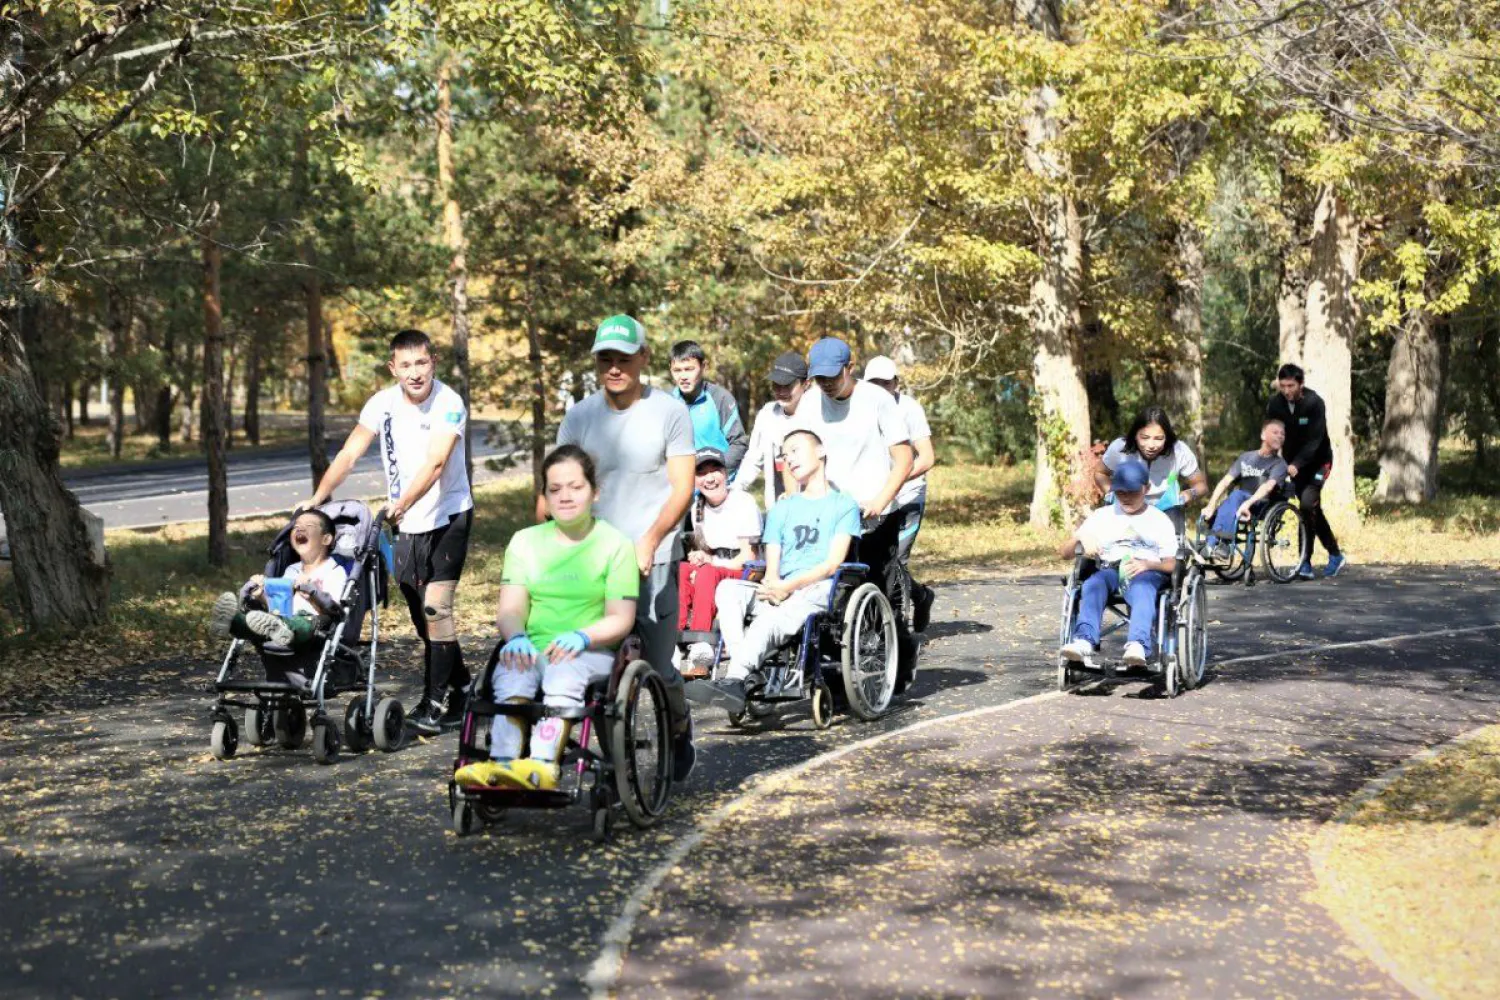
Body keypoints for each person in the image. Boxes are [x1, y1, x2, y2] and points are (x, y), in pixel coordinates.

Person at [304, 329, 474, 735]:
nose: (415, 373)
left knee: (437, 608)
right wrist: (318, 498)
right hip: (407, 523)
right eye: (406, 365)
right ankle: (464, 689)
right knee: (421, 615)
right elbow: (349, 453)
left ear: (433, 362)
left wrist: (402, 503)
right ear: (393, 368)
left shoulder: (449, 403)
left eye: (422, 363)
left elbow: (436, 464)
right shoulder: (381, 404)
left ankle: (433, 705)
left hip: (449, 515)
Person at [552, 314, 698, 779]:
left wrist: (650, 539)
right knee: (590, 661)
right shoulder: (579, 416)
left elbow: (682, 487)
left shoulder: (668, 412)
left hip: (651, 553)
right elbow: (558, 486)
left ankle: (677, 728)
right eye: (605, 359)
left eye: (624, 358)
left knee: (656, 663)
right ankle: (613, 754)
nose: (614, 368)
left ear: (644, 358)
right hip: (593, 557)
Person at [454, 446, 638, 791]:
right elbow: (510, 610)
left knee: (563, 671)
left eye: (575, 487)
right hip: (534, 646)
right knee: (510, 673)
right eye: (554, 489)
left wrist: (583, 636)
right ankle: (503, 765)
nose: (564, 496)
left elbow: (621, 618)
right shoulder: (524, 542)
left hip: (590, 651)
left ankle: (542, 765)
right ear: (545, 495)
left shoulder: (616, 545)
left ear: (594, 493)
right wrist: (516, 637)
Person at [687, 429, 860, 714]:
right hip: (780, 585)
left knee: (770, 621)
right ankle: (749, 674)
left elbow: (832, 563)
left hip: (817, 587)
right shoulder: (783, 508)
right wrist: (773, 584)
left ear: (820, 451)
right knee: (728, 590)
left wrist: (787, 587)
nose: (788, 460)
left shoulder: (844, 505)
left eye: (795, 450)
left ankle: (736, 678)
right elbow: (772, 561)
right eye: (785, 454)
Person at [791, 337, 918, 689]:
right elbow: (792, 453)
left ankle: (901, 651)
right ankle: (834, 673)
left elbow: (904, 459)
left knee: (877, 588)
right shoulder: (810, 403)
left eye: (833, 376)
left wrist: (881, 499)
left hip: (873, 514)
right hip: (828, 513)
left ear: (850, 368)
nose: (827, 384)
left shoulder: (876, 400)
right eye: (819, 378)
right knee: (828, 593)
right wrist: (791, 501)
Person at [1059, 460, 1179, 668]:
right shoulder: (1103, 516)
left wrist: (1149, 565)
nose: (1125, 497)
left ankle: (1138, 645)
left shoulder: (1159, 520)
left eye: (1132, 492)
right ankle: (1084, 641)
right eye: (1120, 492)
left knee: (1142, 588)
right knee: (1092, 584)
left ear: (1146, 488)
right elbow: (1064, 553)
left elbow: (1171, 564)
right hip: (1111, 570)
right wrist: (1081, 537)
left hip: (1146, 571)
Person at [209, 509, 347, 685]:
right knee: (256, 620)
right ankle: (230, 621)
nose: (299, 530)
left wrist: (312, 594)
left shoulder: (334, 571)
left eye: (308, 526)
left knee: (299, 623)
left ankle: (279, 627)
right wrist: (261, 597)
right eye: (296, 527)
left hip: (314, 625)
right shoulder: (292, 570)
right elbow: (278, 604)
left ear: (326, 539)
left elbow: (333, 610)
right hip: (282, 618)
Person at [863, 355, 936, 632]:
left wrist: (896, 479)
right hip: (874, 499)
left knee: (897, 561)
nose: (880, 388)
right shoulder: (860, 407)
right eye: (874, 383)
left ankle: (891, 627)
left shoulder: (909, 409)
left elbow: (927, 457)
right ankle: (919, 595)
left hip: (907, 497)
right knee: (875, 561)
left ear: (896, 383)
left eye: (886, 382)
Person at [678, 447, 761, 677]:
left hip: (745, 571)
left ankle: (702, 648)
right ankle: (676, 640)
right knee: (683, 569)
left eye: (715, 470)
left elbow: (748, 558)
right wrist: (699, 558)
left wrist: (710, 562)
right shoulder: (698, 509)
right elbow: (704, 550)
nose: (710, 478)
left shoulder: (743, 502)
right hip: (717, 567)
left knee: (706, 573)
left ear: (725, 473)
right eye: (702, 473)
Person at [1266, 363, 1346, 579]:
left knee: (1307, 504)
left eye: (1291, 385)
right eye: (1282, 386)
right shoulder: (1275, 404)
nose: (1286, 390)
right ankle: (1335, 554)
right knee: (1311, 509)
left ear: (1300, 384)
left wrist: (1296, 464)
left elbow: (1314, 441)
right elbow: (1271, 432)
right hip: (1293, 465)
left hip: (1318, 463)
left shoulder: (1314, 403)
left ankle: (1305, 562)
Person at [1094, 405, 1208, 535]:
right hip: (1126, 505)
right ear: (1135, 434)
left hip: (1166, 507)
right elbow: (1100, 473)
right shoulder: (1120, 448)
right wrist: (1111, 492)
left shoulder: (1179, 451)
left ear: (1167, 437)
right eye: (1144, 437)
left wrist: (1189, 494)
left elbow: (1201, 485)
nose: (1151, 446)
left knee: (1172, 544)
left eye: (1159, 439)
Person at [733, 351, 811, 509]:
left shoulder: (816, 415)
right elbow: (754, 458)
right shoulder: (767, 414)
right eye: (776, 385)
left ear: (806, 384)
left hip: (812, 506)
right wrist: (735, 491)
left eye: (788, 386)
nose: (781, 391)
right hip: (777, 506)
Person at [1203, 419, 1290, 557]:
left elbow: (1268, 486)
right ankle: (1210, 547)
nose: (1279, 436)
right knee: (1217, 510)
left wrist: (1247, 503)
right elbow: (1225, 482)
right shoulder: (1246, 457)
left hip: (1261, 504)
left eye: (1282, 434)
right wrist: (1211, 504)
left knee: (1236, 495)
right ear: (1263, 435)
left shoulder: (1280, 464)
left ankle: (1217, 544)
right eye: (1275, 432)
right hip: (1239, 501)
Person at [669, 340, 749, 473]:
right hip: (681, 486)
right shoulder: (667, 402)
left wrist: (717, 472)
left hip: (718, 485)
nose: (683, 376)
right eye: (677, 370)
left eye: (689, 369)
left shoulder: (720, 398)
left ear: (703, 367)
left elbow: (739, 443)